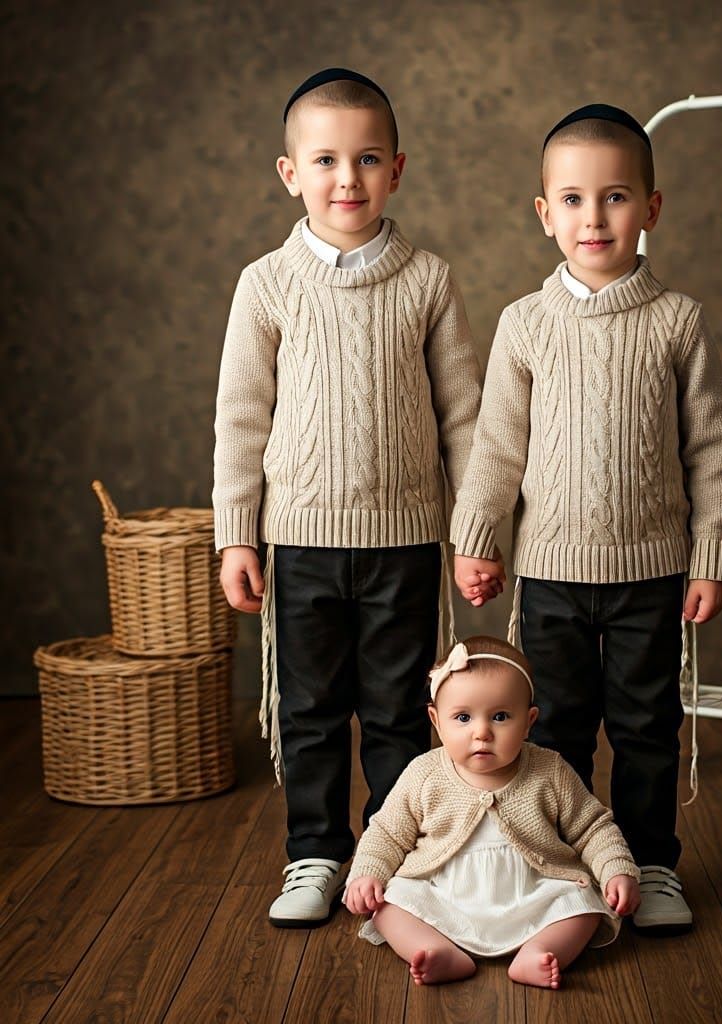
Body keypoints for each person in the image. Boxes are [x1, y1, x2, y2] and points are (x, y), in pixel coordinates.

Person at [450, 104, 722, 931]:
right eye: (572, 200)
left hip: (651, 570)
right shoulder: (526, 325)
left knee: (647, 726)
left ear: (651, 208)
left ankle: (650, 867)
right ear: (545, 214)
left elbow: (711, 447)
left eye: (614, 197)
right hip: (549, 575)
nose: (594, 217)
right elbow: (497, 450)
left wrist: (711, 555)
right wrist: (478, 542)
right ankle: (564, 868)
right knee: (560, 731)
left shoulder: (676, 320)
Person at [212, 68, 483, 927]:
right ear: (290, 172)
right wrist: (237, 536)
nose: (347, 178)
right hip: (300, 541)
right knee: (313, 709)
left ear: (396, 169)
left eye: (367, 159)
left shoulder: (428, 280)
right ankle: (316, 855)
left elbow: (466, 418)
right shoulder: (266, 284)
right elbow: (241, 419)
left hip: (405, 538)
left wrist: (475, 530)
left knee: (401, 710)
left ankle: (396, 859)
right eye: (325, 159)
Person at [344, 636, 640, 988]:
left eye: (500, 717)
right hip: (443, 892)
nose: (482, 732)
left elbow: (592, 828)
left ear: (529, 721)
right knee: (388, 907)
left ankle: (539, 951)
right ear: (436, 721)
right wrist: (367, 874)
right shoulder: (423, 773)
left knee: (584, 907)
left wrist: (616, 870)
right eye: (463, 717)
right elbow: (388, 833)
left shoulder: (550, 770)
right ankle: (434, 948)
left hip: (533, 891)